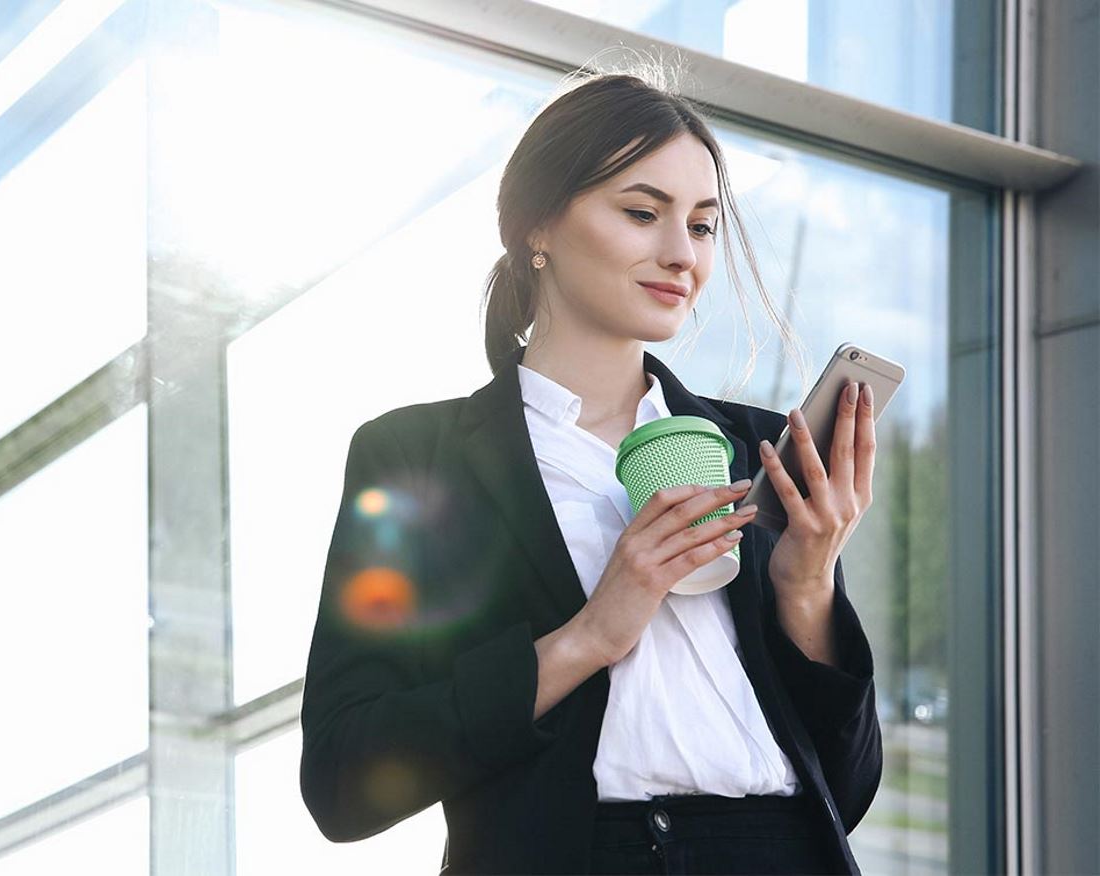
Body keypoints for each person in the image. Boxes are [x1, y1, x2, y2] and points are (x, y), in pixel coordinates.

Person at [299, 67, 882, 875]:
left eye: (704, 226)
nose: (682, 255)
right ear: (537, 224)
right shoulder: (418, 458)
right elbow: (343, 779)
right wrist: (587, 638)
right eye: (643, 213)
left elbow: (845, 790)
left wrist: (807, 586)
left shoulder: (757, 451)